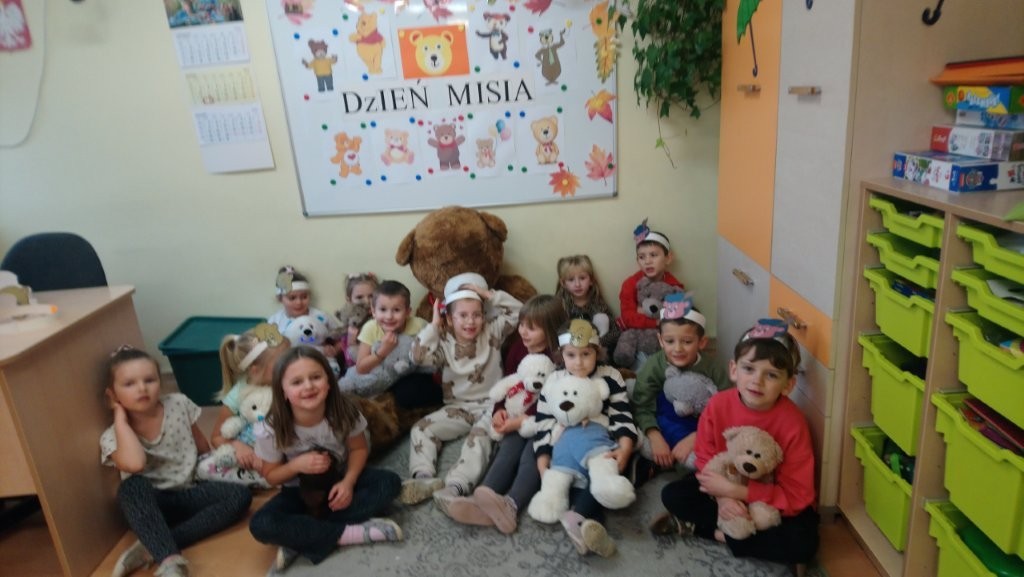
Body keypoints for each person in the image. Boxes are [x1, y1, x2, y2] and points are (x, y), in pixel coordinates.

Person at [650, 319, 819, 572]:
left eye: (771, 375)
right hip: (723, 484)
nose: (757, 381)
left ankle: (715, 534)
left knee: (804, 543)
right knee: (673, 494)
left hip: (769, 499)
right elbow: (706, 457)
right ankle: (740, 535)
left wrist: (740, 493)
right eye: (748, 369)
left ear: (788, 384)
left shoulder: (794, 423)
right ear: (733, 369)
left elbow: (798, 494)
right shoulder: (718, 404)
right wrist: (722, 498)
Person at [100, 346, 252, 577]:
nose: (142, 389)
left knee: (240, 496)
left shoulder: (178, 403)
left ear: (160, 381)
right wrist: (120, 418)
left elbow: (202, 447)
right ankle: (169, 561)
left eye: (149, 380)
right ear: (112, 395)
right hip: (152, 507)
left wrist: (216, 471)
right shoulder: (113, 436)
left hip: (190, 491)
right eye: (129, 384)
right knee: (130, 488)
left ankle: (152, 546)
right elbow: (136, 464)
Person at [248, 346, 403, 571]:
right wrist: (296, 465)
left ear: (329, 381)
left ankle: (303, 537)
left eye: (315, 377)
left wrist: (348, 482)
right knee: (261, 524)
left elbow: (359, 449)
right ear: (283, 391)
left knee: (389, 483)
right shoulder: (271, 428)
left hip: (340, 480)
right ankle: (347, 533)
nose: (308, 386)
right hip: (298, 492)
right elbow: (271, 476)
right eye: (297, 382)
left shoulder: (344, 410)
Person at [441, 294, 567, 533]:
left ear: (550, 330)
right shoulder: (518, 348)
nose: (523, 332)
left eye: (531, 328)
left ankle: (512, 504)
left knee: (531, 455)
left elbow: (555, 401)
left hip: (546, 422)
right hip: (517, 417)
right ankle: (484, 499)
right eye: (522, 325)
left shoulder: (559, 358)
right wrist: (500, 410)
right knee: (508, 449)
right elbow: (508, 383)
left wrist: (522, 420)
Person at [400, 272, 522, 507]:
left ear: (484, 315)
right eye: (463, 316)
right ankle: (424, 478)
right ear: (449, 318)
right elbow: (417, 357)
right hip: (458, 408)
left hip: (492, 405)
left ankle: (456, 486)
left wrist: (488, 295)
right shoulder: (443, 342)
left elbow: (520, 312)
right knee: (421, 429)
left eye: (476, 315)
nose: (470, 322)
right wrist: (434, 326)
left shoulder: (493, 331)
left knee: (479, 441)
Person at [533, 319, 638, 557]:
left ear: (597, 352)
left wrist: (625, 448)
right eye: (571, 355)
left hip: (600, 442)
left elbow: (622, 415)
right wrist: (543, 459)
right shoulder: (554, 381)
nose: (579, 362)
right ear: (561, 355)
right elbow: (543, 421)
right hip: (564, 444)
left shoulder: (610, 376)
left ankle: (579, 519)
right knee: (568, 478)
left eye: (586, 354)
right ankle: (584, 520)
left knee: (609, 471)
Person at [630, 293, 729, 483]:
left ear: (702, 342)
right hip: (664, 416)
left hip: (700, 422)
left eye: (687, 342)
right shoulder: (654, 365)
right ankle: (655, 462)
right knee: (640, 432)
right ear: (660, 340)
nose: (678, 349)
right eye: (670, 341)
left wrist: (696, 437)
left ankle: (688, 469)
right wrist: (655, 436)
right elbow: (642, 405)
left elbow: (727, 407)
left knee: (718, 447)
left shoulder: (712, 368)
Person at [196, 323, 291, 487]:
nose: (292, 364)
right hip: (253, 458)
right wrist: (238, 446)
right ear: (255, 370)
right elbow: (216, 437)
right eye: (283, 362)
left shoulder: (291, 383)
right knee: (205, 467)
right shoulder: (237, 395)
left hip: (283, 452)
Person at [351, 279, 440, 407]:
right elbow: (360, 368)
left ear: (408, 312)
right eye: (383, 309)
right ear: (373, 311)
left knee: (414, 392)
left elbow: (433, 352)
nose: (389, 316)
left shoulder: (419, 325)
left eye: (396, 310)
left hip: (411, 372)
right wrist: (382, 352)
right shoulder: (370, 328)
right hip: (382, 374)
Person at [617, 219, 685, 368]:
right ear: (637, 261)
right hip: (637, 341)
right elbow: (627, 317)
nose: (647, 261)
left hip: (664, 341)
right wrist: (655, 321)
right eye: (642, 257)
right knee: (643, 366)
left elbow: (677, 317)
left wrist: (641, 312)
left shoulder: (674, 285)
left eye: (653, 255)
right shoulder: (630, 284)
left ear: (668, 258)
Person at [555, 255, 620, 354]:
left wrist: (596, 342)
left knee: (601, 318)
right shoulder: (561, 305)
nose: (577, 284)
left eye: (582, 278)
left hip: (595, 348)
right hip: (570, 349)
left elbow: (615, 333)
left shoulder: (598, 305)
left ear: (591, 280)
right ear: (563, 283)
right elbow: (554, 333)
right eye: (571, 280)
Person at [267, 265, 341, 338]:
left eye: (304, 297)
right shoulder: (275, 321)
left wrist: (333, 345)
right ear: (280, 299)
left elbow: (340, 337)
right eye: (292, 298)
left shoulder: (322, 317)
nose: (299, 302)